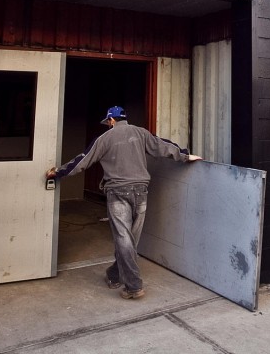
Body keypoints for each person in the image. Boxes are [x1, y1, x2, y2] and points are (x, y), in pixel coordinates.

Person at [45, 106, 201, 299]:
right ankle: (114, 274)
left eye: (107, 123)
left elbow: (82, 161)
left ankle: (134, 286)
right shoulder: (141, 133)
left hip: (118, 192)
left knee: (123, 239)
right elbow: (164, 146)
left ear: (111, 121)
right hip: (141, 192)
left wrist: (58, 172)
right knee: (130, 240)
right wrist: (185, 156)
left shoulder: (104, 139)